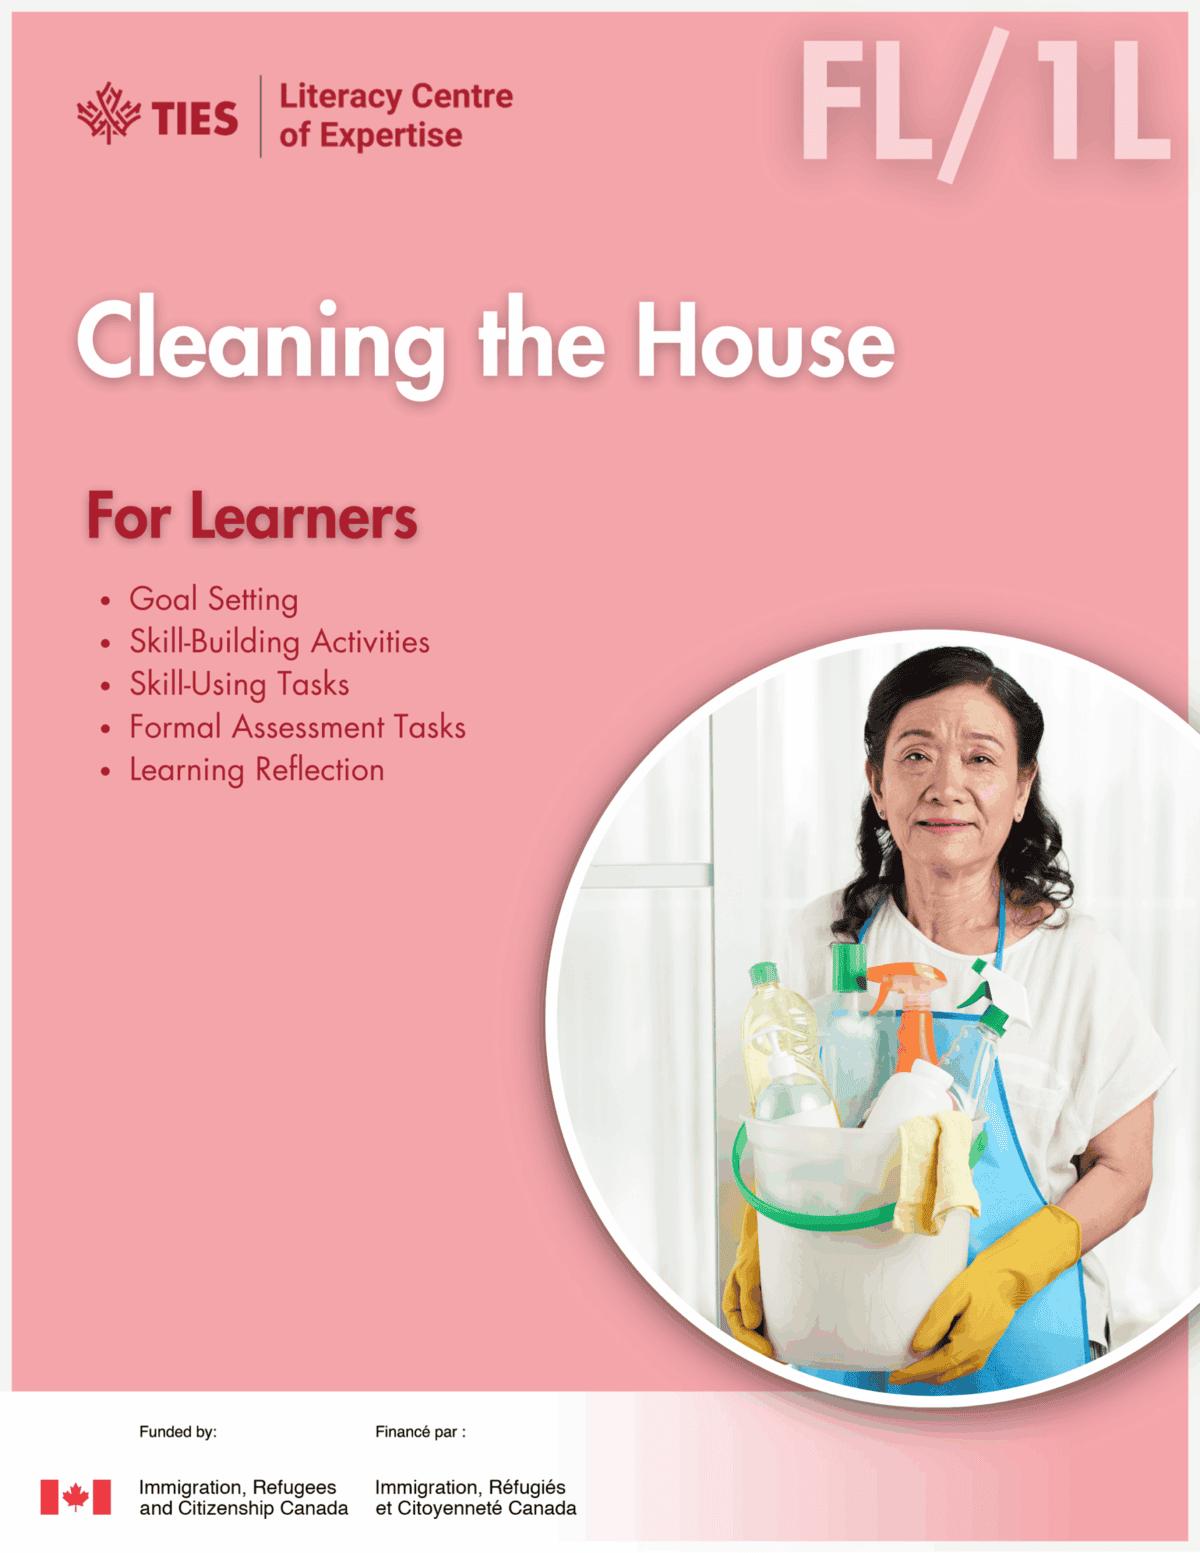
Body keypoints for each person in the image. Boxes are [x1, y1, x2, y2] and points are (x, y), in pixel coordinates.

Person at [722, 645, 1174, 1394]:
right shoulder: (822, 940)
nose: (947, 786)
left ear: (1023, 786)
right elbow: (785, 1114)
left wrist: (1006, 1275)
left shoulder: (1080, 960)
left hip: (1027, 1350)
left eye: (981, 759)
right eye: (916, 754)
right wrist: (755, 1239)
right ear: (876, 782)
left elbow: (1125, 1169)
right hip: (838, 1345)